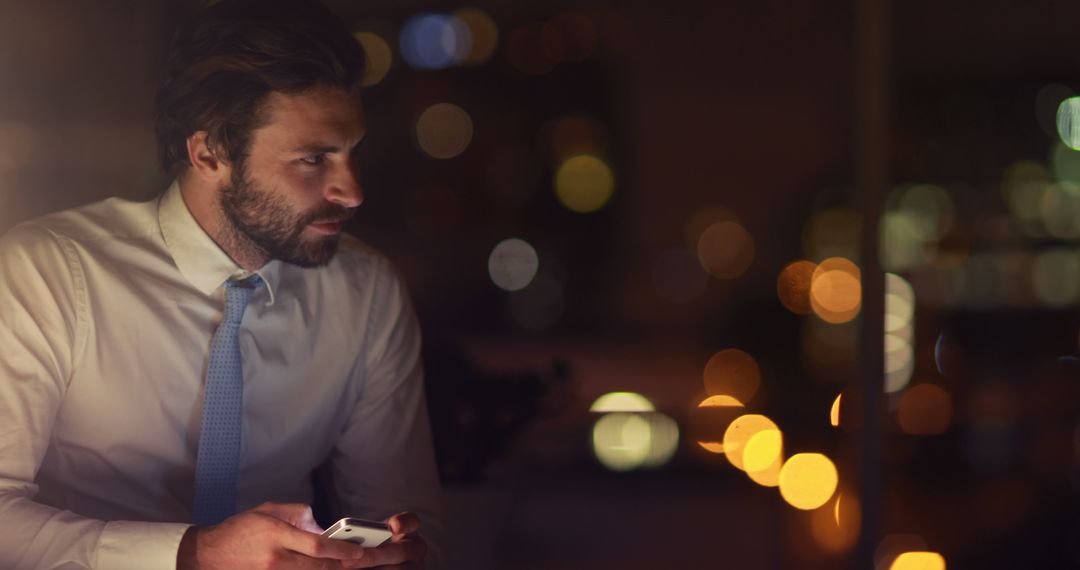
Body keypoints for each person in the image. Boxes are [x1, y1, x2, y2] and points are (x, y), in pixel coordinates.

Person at [0, 0, 444, 568]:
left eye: (352, 153)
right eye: (314, 159)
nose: (352, 191)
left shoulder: (367, 294)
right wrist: (192, 555)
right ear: (209, 153)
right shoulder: (49, 273)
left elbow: (408, 518)